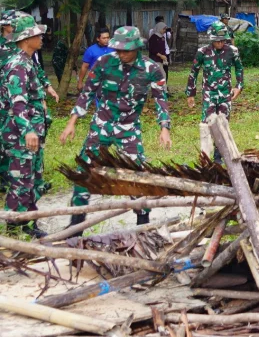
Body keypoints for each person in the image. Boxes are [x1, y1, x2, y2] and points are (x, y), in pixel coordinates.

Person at [60, 26, 171, 227]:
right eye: (118, 50)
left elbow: (160, 100)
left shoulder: (151, 69)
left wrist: (164, 128)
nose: (121, 54)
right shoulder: (104, 62)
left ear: (137, 48)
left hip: (128, 129)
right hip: (101, 125)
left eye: (125, 50)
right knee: (84, 172)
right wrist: (72, 122)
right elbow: (87, 92)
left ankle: (142, 224)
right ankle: (75, 226)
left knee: (137, 176)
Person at [0, 17, 51, 236]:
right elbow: (17, 102)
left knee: (34, 180)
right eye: (36, 35)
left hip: (32, 134)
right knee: (20, 182)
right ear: (25, 39)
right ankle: (14, 230)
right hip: (19, 135)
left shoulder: (28, 61)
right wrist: (28, 130)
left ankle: (29, 223)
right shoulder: (18, 65)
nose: (41, 37)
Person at [185, 21, 244, 162]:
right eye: (218, 40)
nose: (221, 43)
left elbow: (239, 68)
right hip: (209, 93)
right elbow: (194, 72)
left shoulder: (232, 51)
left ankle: (220, 156)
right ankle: (205, 156)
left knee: (223, 124)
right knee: (206, 125)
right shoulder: (202, 52)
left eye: (223, 40)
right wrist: (190, 93)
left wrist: (239, 86)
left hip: (225, 94)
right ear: (212, 39)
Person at [78, 27, 115, 93]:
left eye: (108, 37)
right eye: (104, 38)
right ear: (98, 39)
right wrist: (80, 82)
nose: (106, 40)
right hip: (94, 77)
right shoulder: (90, 50)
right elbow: (84, 66)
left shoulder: (113, 48)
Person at [148, 21, 171, 92]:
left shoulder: (162, 38)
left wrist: (165, 57)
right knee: (162, 74)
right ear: (159, 28)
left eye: (165, 29)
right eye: (163, 29)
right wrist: (161, 56)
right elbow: (152, 49)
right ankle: (162, 91)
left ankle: (160, 91)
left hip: (161, 59)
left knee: (159, 75)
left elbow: (163, 49)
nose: (164, 31)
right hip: (155, 59)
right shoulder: (153, 37)